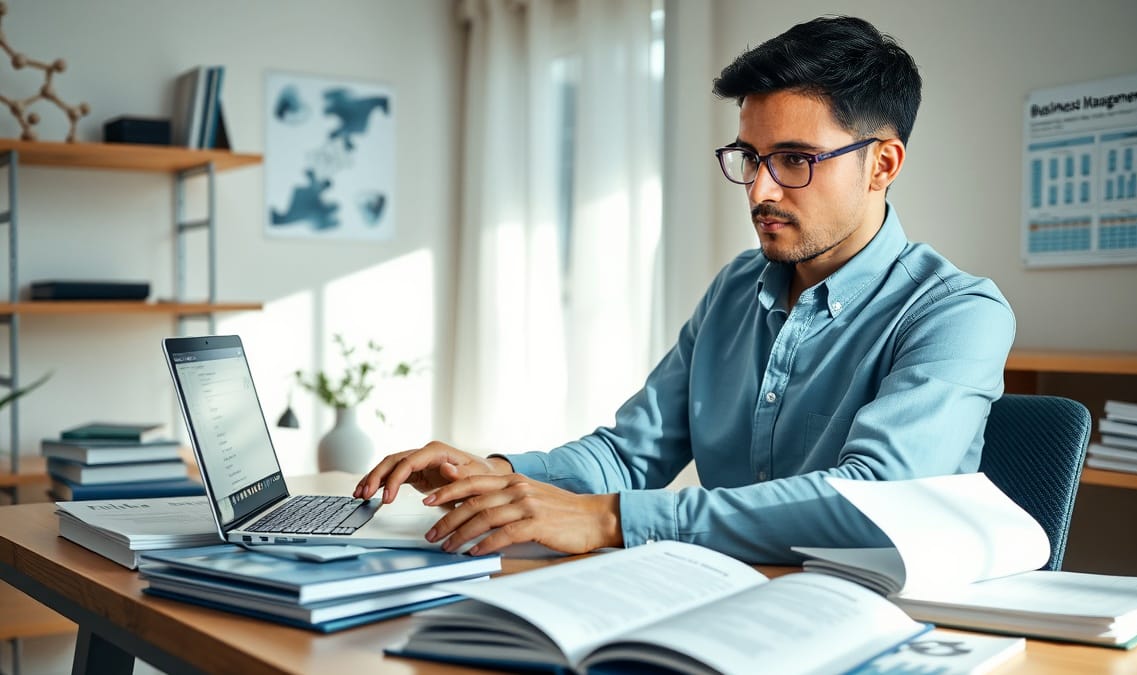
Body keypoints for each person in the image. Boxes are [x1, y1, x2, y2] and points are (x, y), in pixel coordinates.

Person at [354, 15, 1015, 564]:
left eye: (793, 160)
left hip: (876, 623)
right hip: (721, 599)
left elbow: (871, 499)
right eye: (750, 158)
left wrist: (609, 519)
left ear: (883, 163)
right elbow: (628, 451)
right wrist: (495, 474)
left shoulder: (958, 314)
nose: (759, 190)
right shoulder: (736, 289)